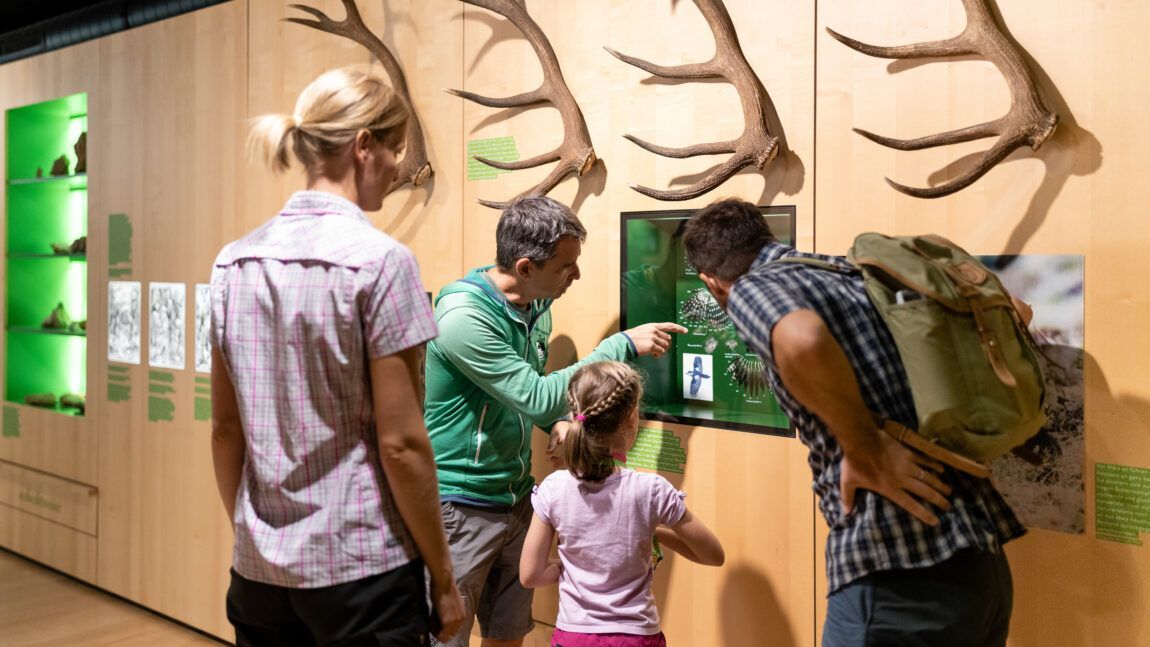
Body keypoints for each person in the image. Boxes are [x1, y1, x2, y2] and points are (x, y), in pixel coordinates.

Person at [682, 198, 1026, 647]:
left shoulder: (752, 287)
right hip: (982, 565)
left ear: (711, 282)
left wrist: (866, 448)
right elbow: (1018, 310)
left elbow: (803, 340)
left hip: (897, 570)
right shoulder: (852, 273)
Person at [210, 66, 463, 646]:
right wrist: (444, 578)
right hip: (362, 570)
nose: (398, 166)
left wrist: (253, 537)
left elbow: (225, 431)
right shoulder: (382, 263)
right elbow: (401, 444)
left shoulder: (233, 263)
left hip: (260, 572)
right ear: (363, 145)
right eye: (396, 148)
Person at [423, 195, 686, 647]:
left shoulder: (535, 305)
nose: (576, 274)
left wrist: (556, 423)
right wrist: (620, 346)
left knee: (508, 635)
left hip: (516, 496)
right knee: (446, 638)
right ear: (525, 267)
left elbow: (522, 393)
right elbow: (537, 395)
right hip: (460, 507)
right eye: (566, 266)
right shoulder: (463, 318)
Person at [520, 361, 725, 647]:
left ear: (575, 415)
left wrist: (571, 568)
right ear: (631, 417)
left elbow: (530, 575)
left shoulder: (554, 488)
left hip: (574, 637)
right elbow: (713, 555)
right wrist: (655, 532)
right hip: (636, 636)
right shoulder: (651, 491)